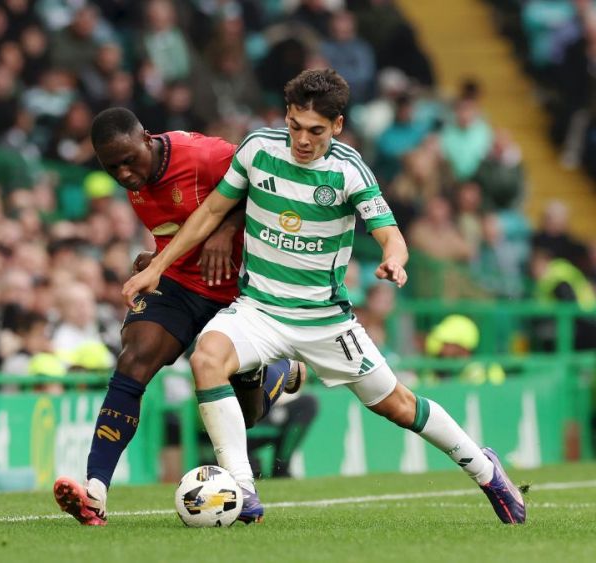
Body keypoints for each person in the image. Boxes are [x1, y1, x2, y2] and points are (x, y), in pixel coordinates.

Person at [123, 69, 526, 525]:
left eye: (315, 130)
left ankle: (487, 472)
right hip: (258, 310)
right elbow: (211, 212)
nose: (302, 139)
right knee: (206, 358)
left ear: (337, 125)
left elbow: (391, 234)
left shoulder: (350, 171)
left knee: (398, 405)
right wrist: (157, 266)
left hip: (325, 321)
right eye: (295, 126)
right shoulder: (257, 150)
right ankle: (243, 487)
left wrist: (394, 259)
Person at [53, 107, 305, 526]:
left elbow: (267, 180)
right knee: (133, 360)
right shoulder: (133, 175)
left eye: (130, 160)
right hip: (180, 284)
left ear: (147, 139)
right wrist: (157, 258)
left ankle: (274, 375)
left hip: (241, 290)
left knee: (244, 416)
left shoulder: (202, 155)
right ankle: (95, 492)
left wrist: (227, 230)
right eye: (111, 166)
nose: (125, 174)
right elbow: (180, 225)